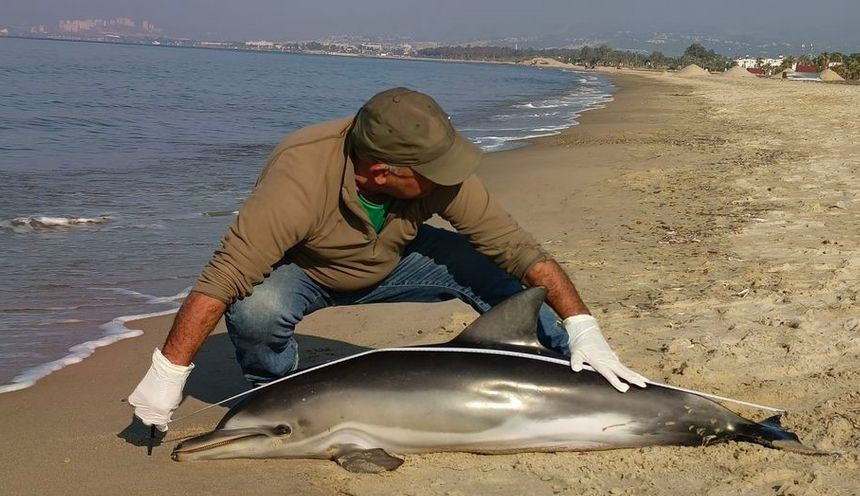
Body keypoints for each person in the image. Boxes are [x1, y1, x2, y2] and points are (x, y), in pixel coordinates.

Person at [129, 87, 648, 432]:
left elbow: (516, 247)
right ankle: (284, 394)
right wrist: (168, 371)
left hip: (401, 259)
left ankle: (577, 367)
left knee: (500, 273)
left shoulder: (438, 174)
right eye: (433, 170)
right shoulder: (298, 178)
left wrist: (583, 326)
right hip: (308, 271)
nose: (449, 177)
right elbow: (224, 275)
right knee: (255, 310)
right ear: (380, 172)